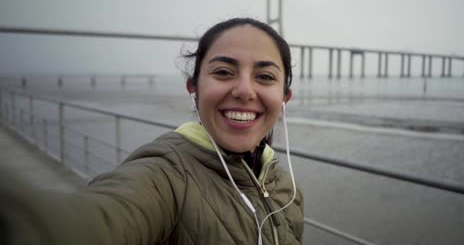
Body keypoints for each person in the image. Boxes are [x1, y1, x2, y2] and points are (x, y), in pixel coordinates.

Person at [0, 17, 304, 245]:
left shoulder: (286, 188)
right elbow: (97, 219)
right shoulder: (165, 176)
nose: (243, 90)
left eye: (264, 76)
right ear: (194, 89)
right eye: (223, 72)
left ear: (284, 98)